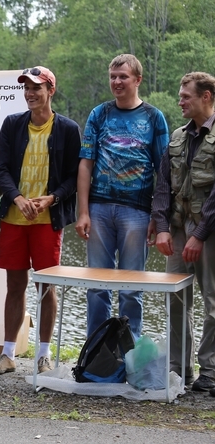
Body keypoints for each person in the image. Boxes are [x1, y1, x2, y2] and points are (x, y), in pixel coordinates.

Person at [0, 66, 81, 375]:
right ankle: (8, 353)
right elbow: (1, 170)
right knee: (15, 285)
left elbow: (73, 177)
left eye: (36, 88)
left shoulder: (67, 129)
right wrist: (17, 198)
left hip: (47, 221)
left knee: (46, 286)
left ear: (50, 91)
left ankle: (43, 355)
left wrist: (51, 198)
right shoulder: (13, 124)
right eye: (26, 88)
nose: (30, 93)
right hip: (14, 218)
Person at [75, 54, 169, 339]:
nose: (116, 82)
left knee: (131, 288)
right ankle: (96, 352)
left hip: (137, 212)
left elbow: (163, 173)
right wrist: (83, 212)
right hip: (99, 208)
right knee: (97, 285)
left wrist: (158, 217)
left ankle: (130, 353)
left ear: (137, 80)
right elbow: (85, 164)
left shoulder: (153, 117)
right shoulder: (99, 114)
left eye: (123, 77)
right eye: (113, 76)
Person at [152, 72, 215, 393]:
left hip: (209, 232)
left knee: (213, 301)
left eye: (185, 96)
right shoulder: (176, 137)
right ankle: (179, 369)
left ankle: (211, 371)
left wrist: (200, 234)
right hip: (177, 231)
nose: (180, 101)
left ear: (206, 97)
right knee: (176, 301)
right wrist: (162, 228)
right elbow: (163, 186)